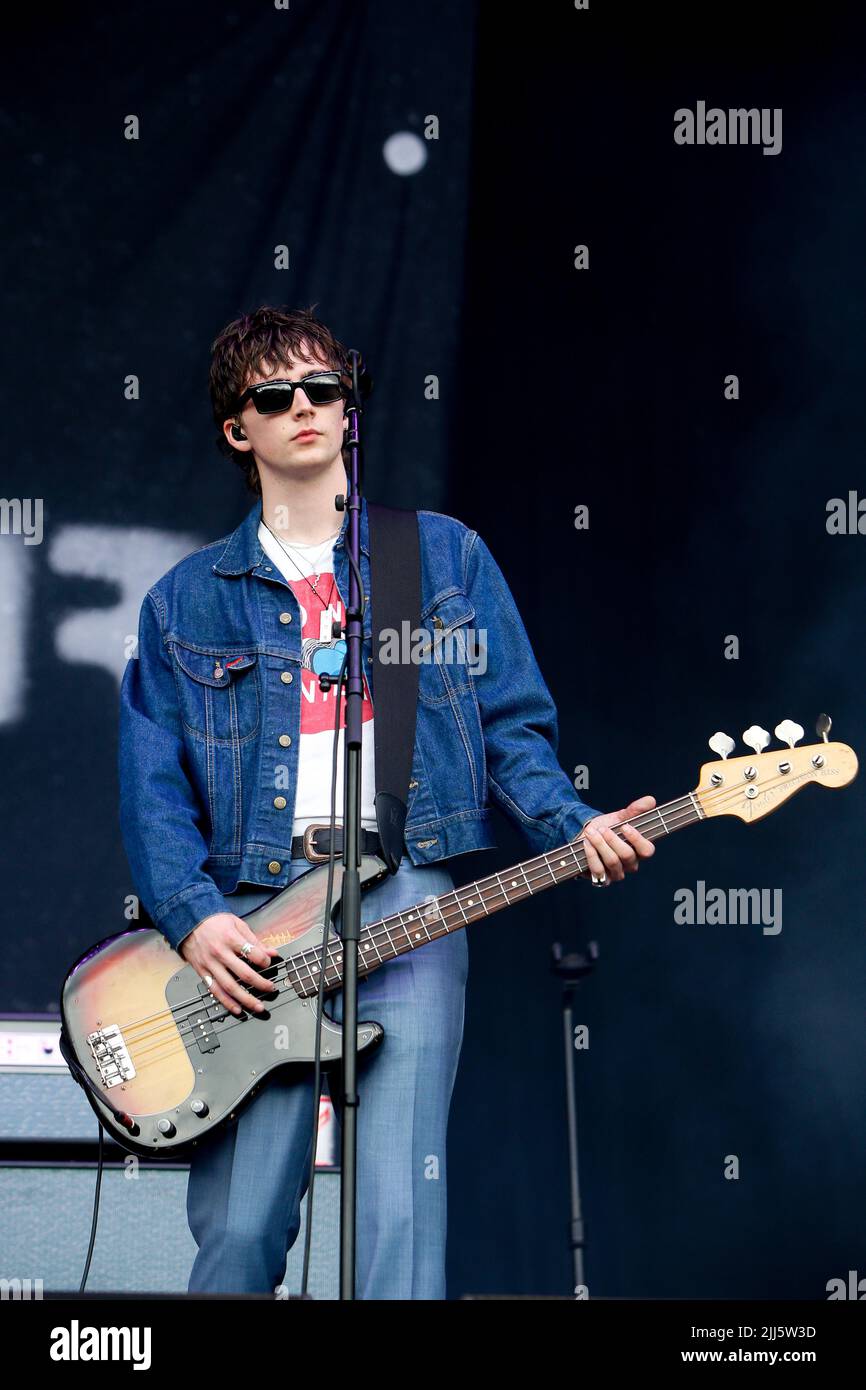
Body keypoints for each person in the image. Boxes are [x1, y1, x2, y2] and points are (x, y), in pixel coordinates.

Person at [118, 304, 656, 1299]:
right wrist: (194, 921)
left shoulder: (438, 559)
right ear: (240, 429)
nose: (304, 409)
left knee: (400, 1222)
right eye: (273, 397)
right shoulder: (184, 600)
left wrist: (570, 824)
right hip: (254, 920)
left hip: (407, 896)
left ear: (349, 404)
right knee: (238, 1231)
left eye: (323, 388)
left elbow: (509, 731)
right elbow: (153, 785)